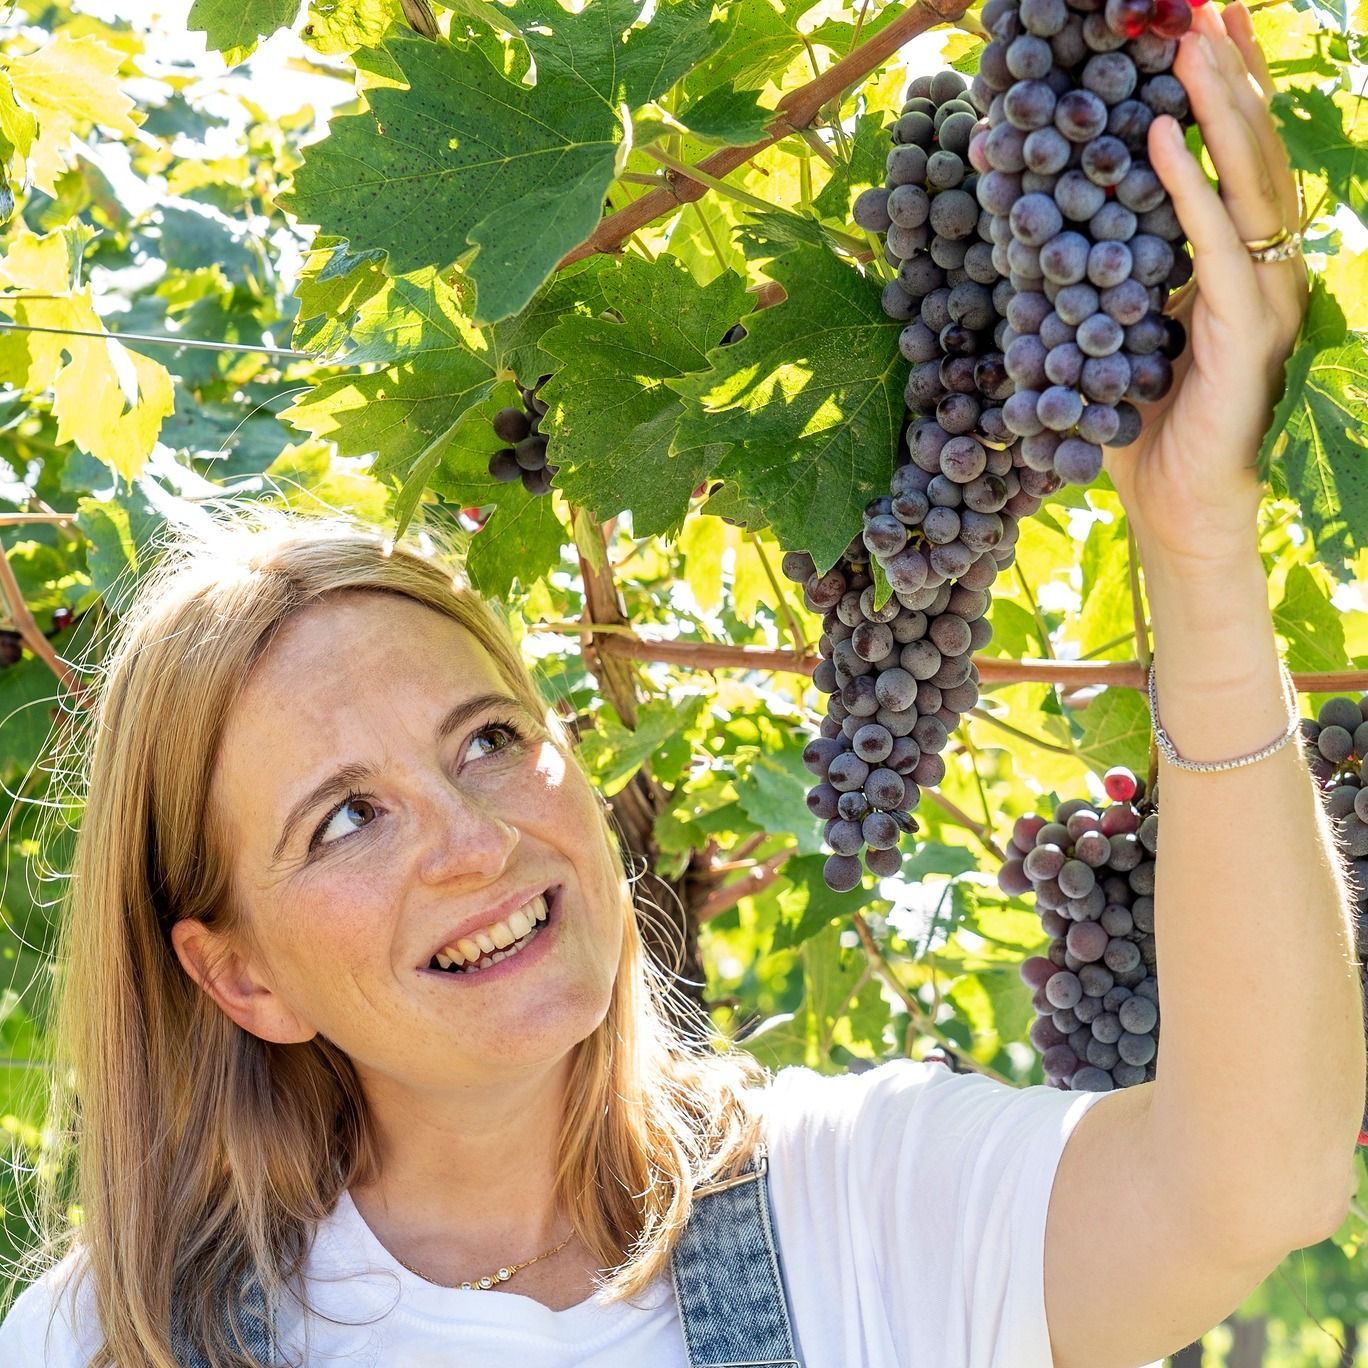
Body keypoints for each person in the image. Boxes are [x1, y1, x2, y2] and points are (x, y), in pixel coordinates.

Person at [1, 3, 1363, 1366]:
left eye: (485, 737)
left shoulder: (858, 1211)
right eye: (346, 817)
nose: (475, 838)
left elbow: (1259, 1177)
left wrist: (1194, 541)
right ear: (239, 977)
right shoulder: (99, 1343)